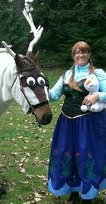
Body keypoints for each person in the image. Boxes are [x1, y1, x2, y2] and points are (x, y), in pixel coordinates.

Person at [47, 41, 106, 203]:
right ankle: (73, 191)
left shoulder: (98, 74)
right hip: (67, 122)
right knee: (69, 155)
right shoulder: (67, 75)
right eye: (77, 52)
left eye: (84, 52)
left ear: (89, 54)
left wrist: (98, 96)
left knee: (87, 156)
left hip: (89, 123)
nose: (81, 55)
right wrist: (40, 86)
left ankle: (88, 195)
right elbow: (53, 96)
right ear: (73, 55)